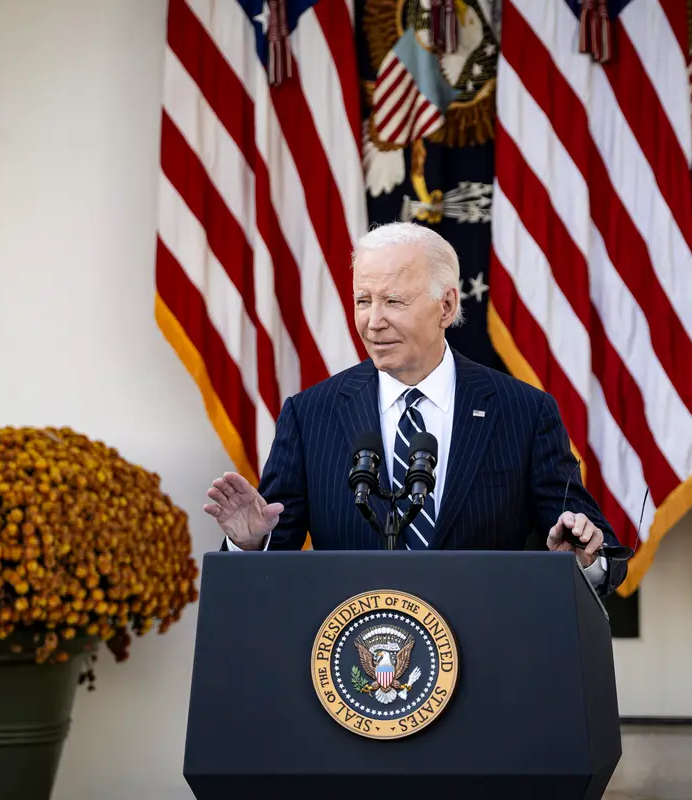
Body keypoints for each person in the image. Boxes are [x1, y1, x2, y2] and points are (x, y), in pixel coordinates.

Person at [202, 222, 627, 596]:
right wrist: (251, 544)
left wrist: (585, 557)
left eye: (394, 301)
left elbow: (591, 544)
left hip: (487, 662)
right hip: (354, 665)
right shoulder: (311, 414)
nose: (373, 321)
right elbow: (273, 563)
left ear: (446, 306)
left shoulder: (523, 412)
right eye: (363, 301)